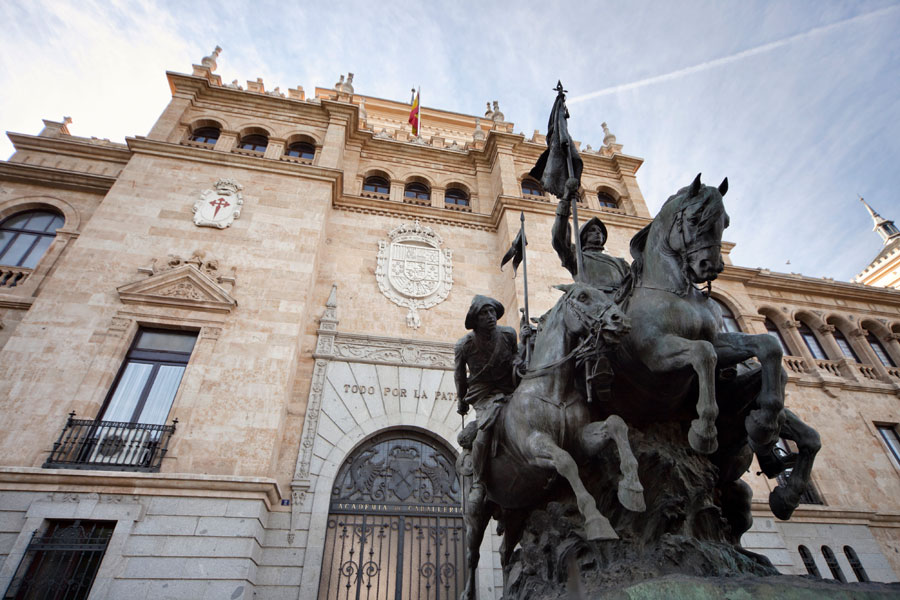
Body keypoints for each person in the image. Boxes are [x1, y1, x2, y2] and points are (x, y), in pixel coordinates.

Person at [455, 296, 524, 499]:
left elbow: (515, 356)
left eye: (492, 312)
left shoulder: (509, 334)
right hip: (483, 393)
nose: (490, 316)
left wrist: (520, 358)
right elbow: (459, 376)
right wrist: (461, 400)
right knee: (485, 429)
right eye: (484, 313)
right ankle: (478, 480)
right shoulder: (464, 345)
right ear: (475, 319)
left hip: (509, 386)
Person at [551, 191, 629, 292]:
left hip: (621, 298)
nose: (598, 233)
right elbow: (559, 240)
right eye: (592, 230)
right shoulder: (577, 256)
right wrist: (565, 203)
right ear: (584, 237)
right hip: (594, 301)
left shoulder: (621, 263)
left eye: (600, 231)